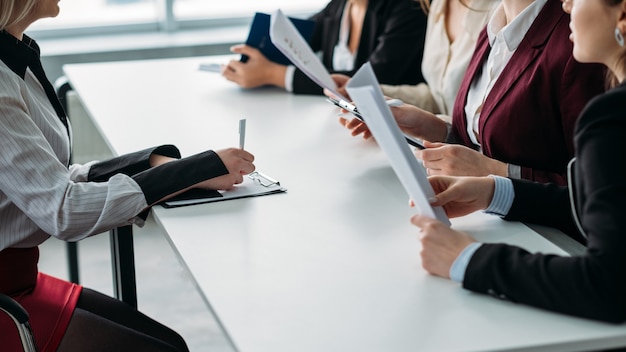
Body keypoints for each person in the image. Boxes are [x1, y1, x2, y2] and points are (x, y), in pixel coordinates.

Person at [0, 0, 256, 351]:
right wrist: (192, 171)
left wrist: (160, 168)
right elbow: (63, 210)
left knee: (171, 343)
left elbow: (50, 178)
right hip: (7, 297)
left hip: (20, 281)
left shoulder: (15, 56)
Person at [410, 0, 626, 323]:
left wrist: (467, 257)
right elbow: (600, 204)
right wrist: (494, 192)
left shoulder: (609, 119)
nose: (565, 3)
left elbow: (608, 286)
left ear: (622, 14)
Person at [340, 0, 606, 185]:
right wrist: (429, 126)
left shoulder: (577, 42)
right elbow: (486, 142)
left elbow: (589, 193)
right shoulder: (494, 24)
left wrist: (494, 173)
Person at [221, 0, 428, 95]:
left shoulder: (409, 7)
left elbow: (373, 78)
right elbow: (297, 42)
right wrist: (251, 63)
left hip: (391, 128)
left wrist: (274, 74)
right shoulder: (339, 5)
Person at [332, 0, 500, 116]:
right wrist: (370, 93)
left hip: (470, 160)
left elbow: (486, 128)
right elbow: (437, 99)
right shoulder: (438, 4)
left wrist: (433, 128)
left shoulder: (501, 10)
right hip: (441, 151)